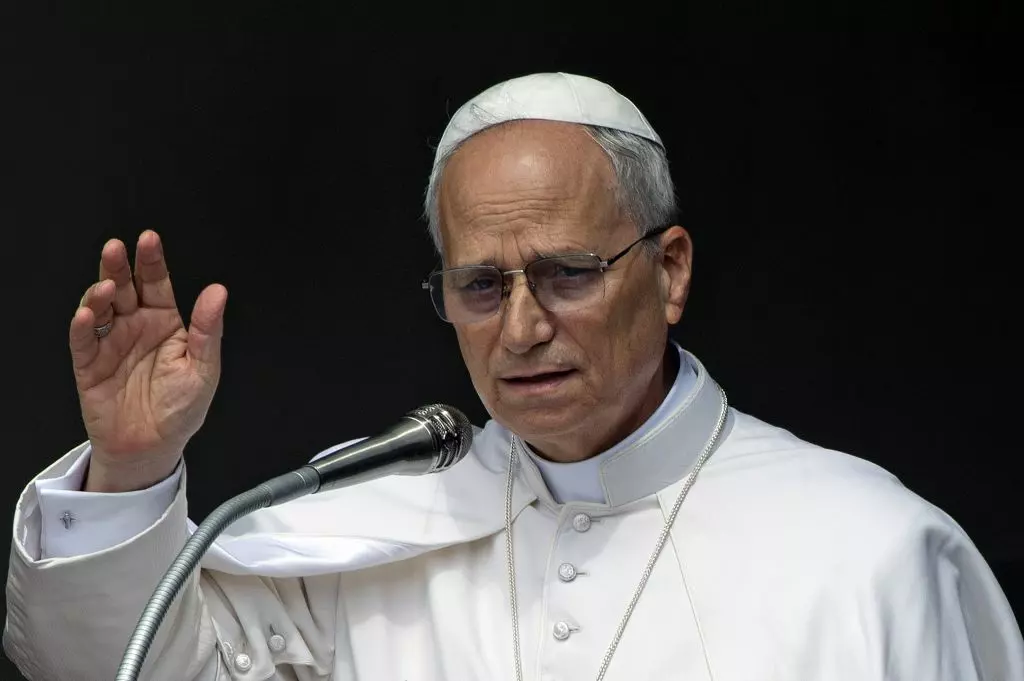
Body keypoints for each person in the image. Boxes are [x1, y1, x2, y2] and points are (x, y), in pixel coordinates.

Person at [5, 72, 1022, 681]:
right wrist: (131, 469)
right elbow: (117, 668)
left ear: (669, 272)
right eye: (481, 286)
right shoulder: (371, 521)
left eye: (569, 273)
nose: (523, 329)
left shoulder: (869, 553)